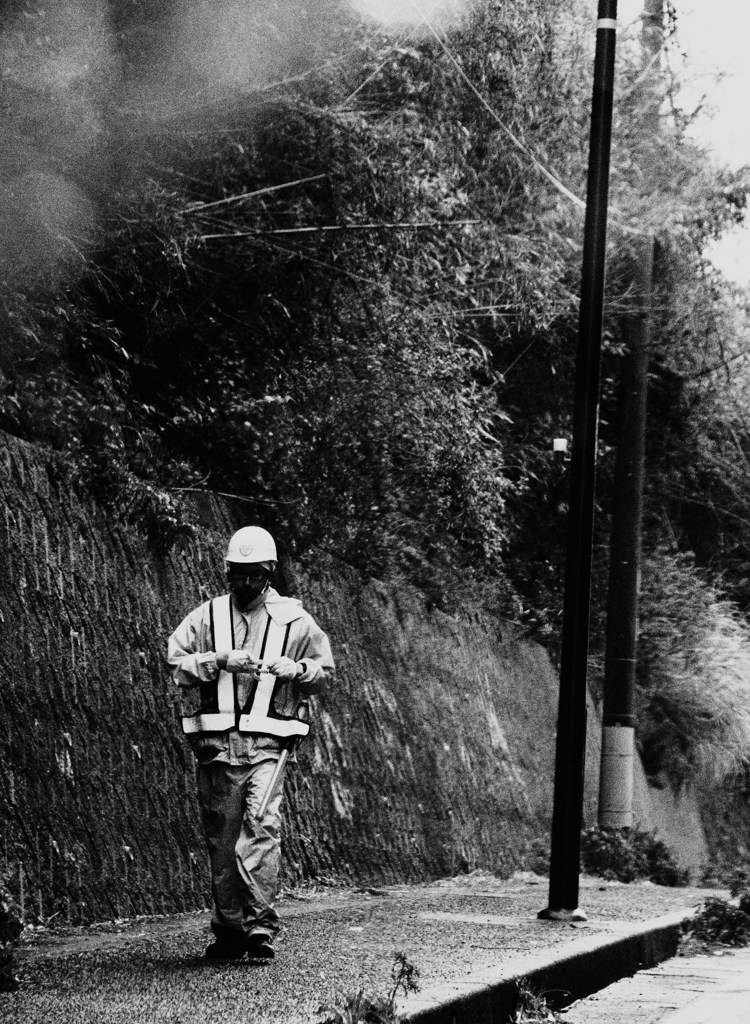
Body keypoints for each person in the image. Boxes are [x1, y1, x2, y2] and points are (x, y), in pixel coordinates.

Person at [168, 526, 334, 961]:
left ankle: (260, 926)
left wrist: (296, 669)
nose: (244, 584)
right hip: (217, 748)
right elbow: (175, 661)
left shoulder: (296, 621)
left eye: (253, 576)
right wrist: (216, 660)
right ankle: (229, 930)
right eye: (237, 575)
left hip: (269, 747)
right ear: (227, 572)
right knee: (222, 840)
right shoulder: (207, 616)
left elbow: (324, 673)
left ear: (270, 573)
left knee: (260, 829)